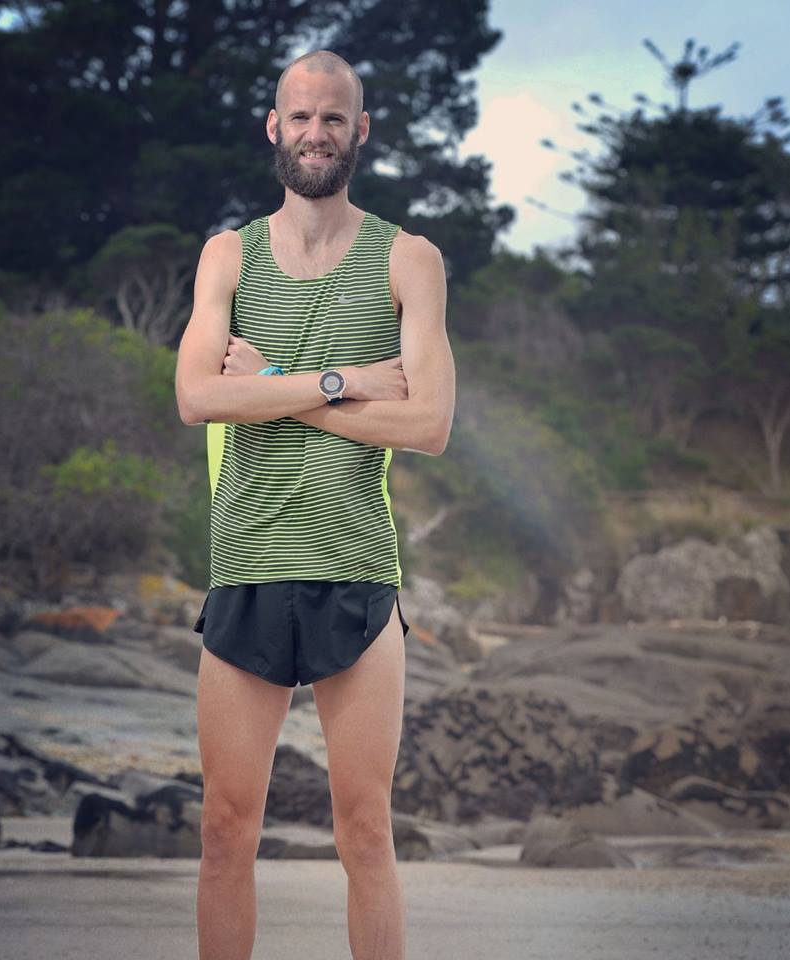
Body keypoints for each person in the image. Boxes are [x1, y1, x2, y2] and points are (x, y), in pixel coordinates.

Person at [174, 48, 455, 960]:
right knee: (225, 832)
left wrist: (280, 386)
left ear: (361, 130)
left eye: (334, 117)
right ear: (274, 128)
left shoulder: (408, 261)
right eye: (301, 116)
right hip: (246, 566)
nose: (317, 132)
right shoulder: (228, 256)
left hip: (358, 574)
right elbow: (197, 398)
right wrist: (342, 382)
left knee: (367, 833)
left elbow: (430, 425)